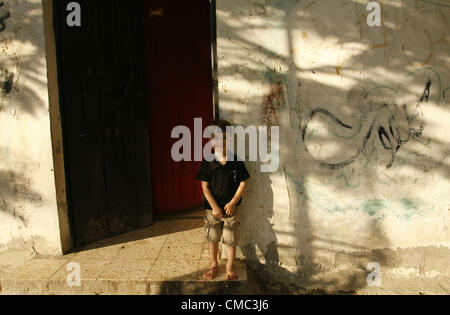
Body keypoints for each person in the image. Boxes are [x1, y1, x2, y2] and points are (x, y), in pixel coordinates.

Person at [196, 119, 250, 280]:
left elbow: (243, 182)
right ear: (211, 140)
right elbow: (204, 186)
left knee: (230, 237)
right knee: (212, 236)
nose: (221, 141)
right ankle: (213, 264)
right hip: (212, 209)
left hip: (230, 209)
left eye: (225, 137)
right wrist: (214, 206)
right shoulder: (208, 162)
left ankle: (230, 265)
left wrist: (233, 202)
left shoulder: (236, 161)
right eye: (217, 138)